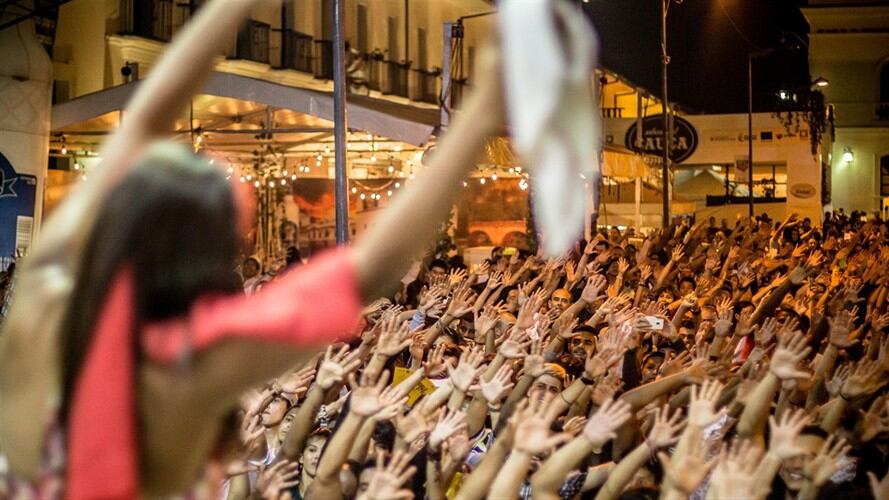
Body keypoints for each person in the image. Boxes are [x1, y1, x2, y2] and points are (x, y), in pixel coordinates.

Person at [0, 0, 506, 496]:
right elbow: (370, 270)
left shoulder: (49, 280)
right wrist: (481, 113)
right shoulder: (189, 358)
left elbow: (153, 107)